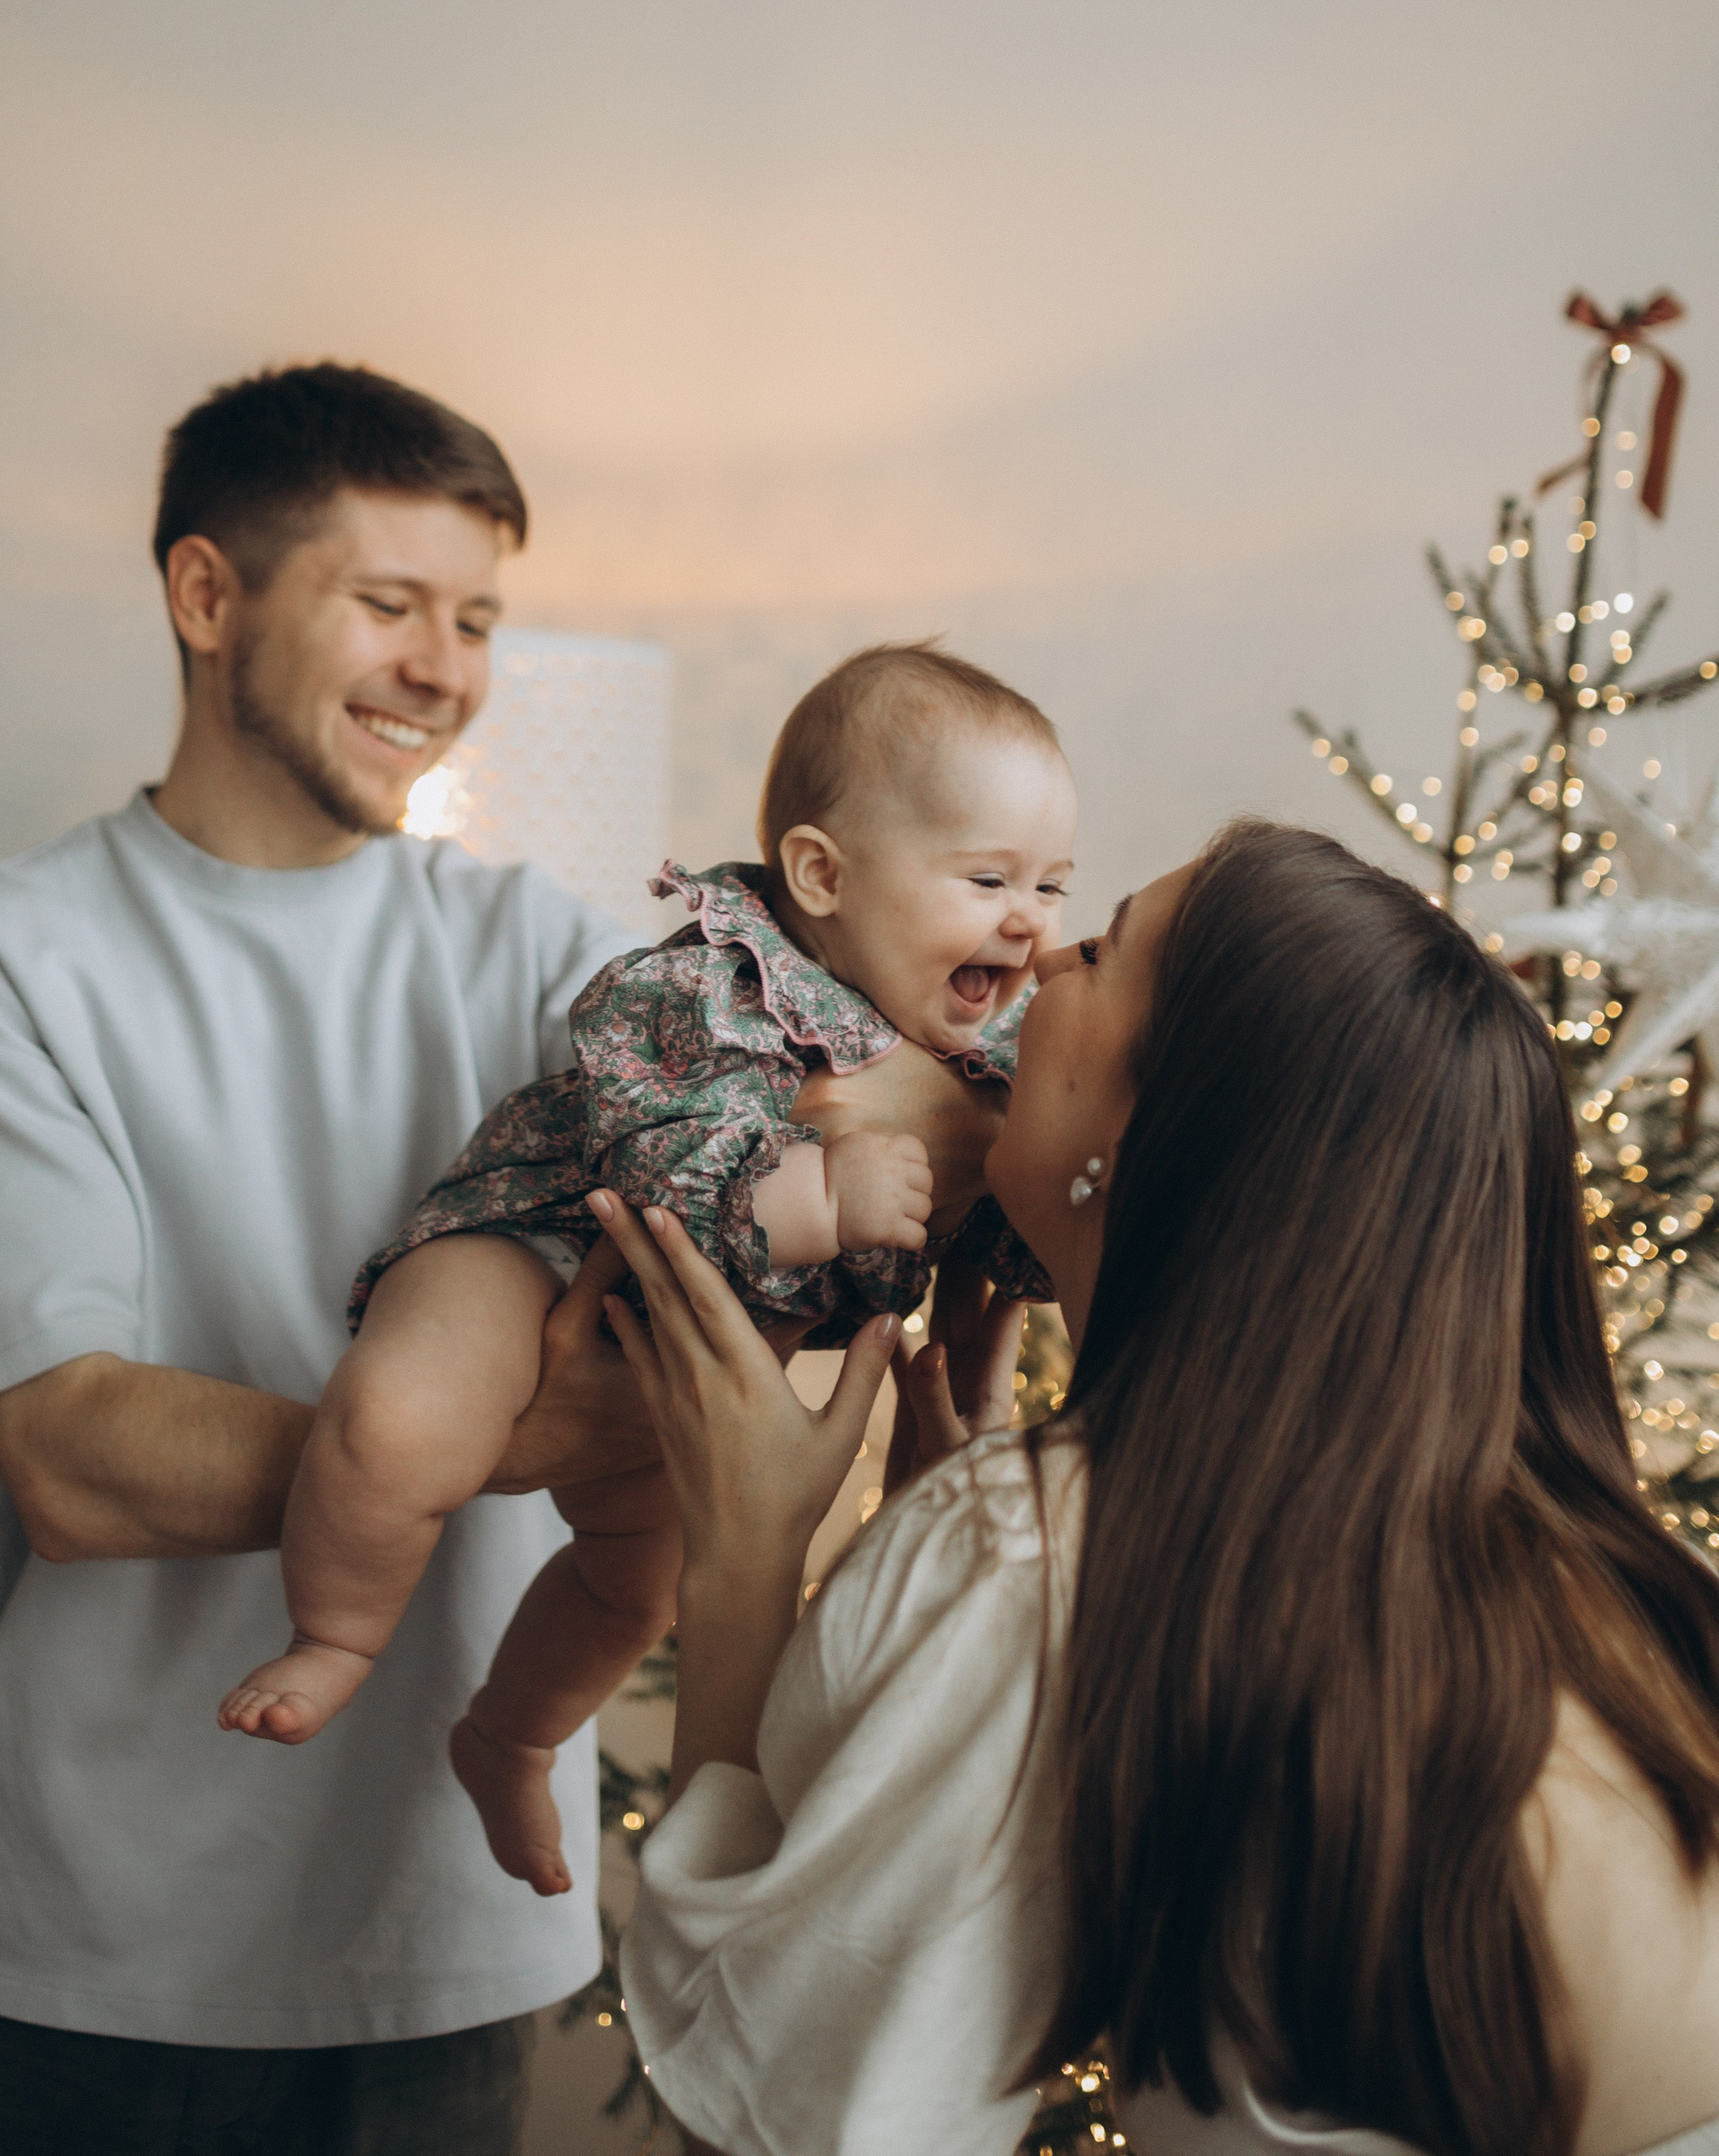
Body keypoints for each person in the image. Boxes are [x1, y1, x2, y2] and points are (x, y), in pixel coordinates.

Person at [0, 363, 673, 2156]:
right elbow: (69, 1461)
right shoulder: (2, 960)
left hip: (424, 1951)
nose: (445, 669)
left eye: (476, 618)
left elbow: (748, 1102)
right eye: (387, 603)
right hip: (41, 1956)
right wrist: (531, 1440)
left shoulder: (533, 946)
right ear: (207, 596)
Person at [604, 820, 1719, 2156]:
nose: (1035, 956)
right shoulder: (1602, 1568)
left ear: (1140, 1130)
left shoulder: (1052, 1553)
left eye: (1098, 946)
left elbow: (785, 2111)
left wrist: (740, 1562)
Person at [220, 645, 1070, 1905]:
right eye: (989, 877)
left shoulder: (985, 1055)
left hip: (673, 1358)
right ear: (822, 874)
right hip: (540, 1244)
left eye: (1053, 886)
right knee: (402, 1418)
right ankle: (336, 1630)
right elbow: (654, 1143)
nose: (1030, 921)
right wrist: (815, 1198)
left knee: (644, 1580)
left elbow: (1001, 1223)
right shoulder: (714, 985)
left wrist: (1039, 1219)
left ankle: (510, 1732)